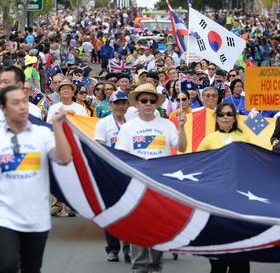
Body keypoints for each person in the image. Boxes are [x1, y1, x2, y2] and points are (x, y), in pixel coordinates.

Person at [0, 85, 72, 273]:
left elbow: (64, 158)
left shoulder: (42, 134)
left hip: (37, 218)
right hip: (5, 217)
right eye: (15, 102)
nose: (22, 106)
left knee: (31, 268)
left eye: (25, 101)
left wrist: (58, 127)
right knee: (9, 265)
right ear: (3, 108)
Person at [115, 83, 187, 273]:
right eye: (144, 100)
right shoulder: (127, 128)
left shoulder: (167, 124)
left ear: (156, 103)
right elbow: (121, 157)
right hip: (136, 182)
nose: (148, 103)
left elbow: (182, 147)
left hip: (160, 183)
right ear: (137, 104)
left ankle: (154, 264)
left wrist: (182, 127)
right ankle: (139, 266)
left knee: (157, 226)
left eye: (152, 100)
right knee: (137, 226)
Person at [197, 102, 250, 273]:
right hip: (216, 198)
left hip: (239, 198)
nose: (226, 117)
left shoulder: (244, 138)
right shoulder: (208, 139)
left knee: (240, 255)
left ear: (235, 117)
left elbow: (251, 166)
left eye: (229, 114)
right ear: (216, 117)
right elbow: (198, 165)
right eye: (222, 114)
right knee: (218, 256)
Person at [94, 90, 131, 263]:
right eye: (117, 103)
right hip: (110, 173)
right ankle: (113, 248)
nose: (121, 106)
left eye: (123, 102)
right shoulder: (103, 124)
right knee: (111, 212)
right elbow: (99, 148)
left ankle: (130, 248)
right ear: (110, 105)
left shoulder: (132, 123)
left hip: (131, 173)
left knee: (131, 213)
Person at [0, 66, 40, 130]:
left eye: (6, 82)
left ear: (19, 85)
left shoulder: (35, 111)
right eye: (0, 82)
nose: (1, 86)